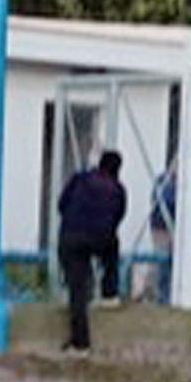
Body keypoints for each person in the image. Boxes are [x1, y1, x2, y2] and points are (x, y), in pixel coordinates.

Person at [57, 150, 127, 354]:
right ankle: (110, 293)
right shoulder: (118, 189)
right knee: (113, 246)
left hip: (72, 237)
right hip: (101, 238)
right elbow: (118, 217)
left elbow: (61, 205)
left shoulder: (80, 179)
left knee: (77, 291)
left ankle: (80, 343)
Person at [147, 167, 177, 303]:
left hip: (174, 228)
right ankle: (159, 294)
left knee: (170, 264)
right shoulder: (163, 182)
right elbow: (163, 202)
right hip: (161, 228)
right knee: (161, 262)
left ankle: (167, 294)